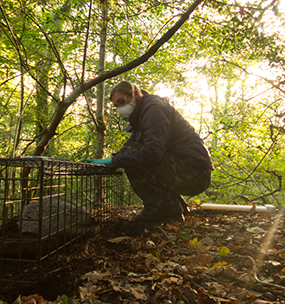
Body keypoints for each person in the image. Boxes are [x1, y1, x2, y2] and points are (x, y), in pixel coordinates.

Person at [85, 81, 213, 224]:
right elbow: (129, 148)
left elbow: (152, 152)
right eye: (116, 106)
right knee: (129, 155)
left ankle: (162, 209)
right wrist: (109, 162)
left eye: (121, 102)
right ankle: (173, 206)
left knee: (134, 157)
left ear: (135, 93)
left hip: (195, 174)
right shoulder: (141, 116)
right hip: (186, 170)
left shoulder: (154, 108)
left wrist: (114, 161)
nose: (120, 108)